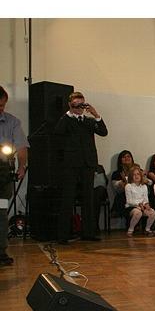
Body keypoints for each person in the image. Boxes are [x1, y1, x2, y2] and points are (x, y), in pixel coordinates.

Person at [53, 91, 107, 243]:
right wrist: (69, 113)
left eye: (81, 105)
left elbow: (103, 132)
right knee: (68, 199)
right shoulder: (66, 120)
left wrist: (96, 115)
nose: (79, 108)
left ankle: (88, 233)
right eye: (76, 105)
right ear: (70, 105)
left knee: (88, 199)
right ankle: (63, 235)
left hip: (88, 164)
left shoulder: (88, 122)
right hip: (71, 165)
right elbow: (57, 133)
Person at [0, 85, 28, 265]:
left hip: (2, 173)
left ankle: (1, 251)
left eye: (3, 105)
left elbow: (21, 147)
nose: (1, 109)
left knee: (1, 212)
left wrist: (22, 166)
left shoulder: (12, 122)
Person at [125, 166, 155, 236]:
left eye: (138, 174)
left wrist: (146, 204)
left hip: (142, 206)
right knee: (138, 213)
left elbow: (145, 199)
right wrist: (139, 205)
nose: (136, 176)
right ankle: (131, 229)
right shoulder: (128, 186)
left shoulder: (144, 186)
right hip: (132, 206)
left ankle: (147, 229)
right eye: (134, 174)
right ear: (131, 176)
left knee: (152, 212)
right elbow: (129, 201)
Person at [110, 149, 135, 218]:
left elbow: (147, 182)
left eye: (128, 156)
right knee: (123, 195)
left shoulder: (138, 170)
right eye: (124, 157)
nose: (126, 158)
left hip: (138, 195)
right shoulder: (116, 174)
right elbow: (117, 189)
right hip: (124, 195)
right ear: (120, 160)